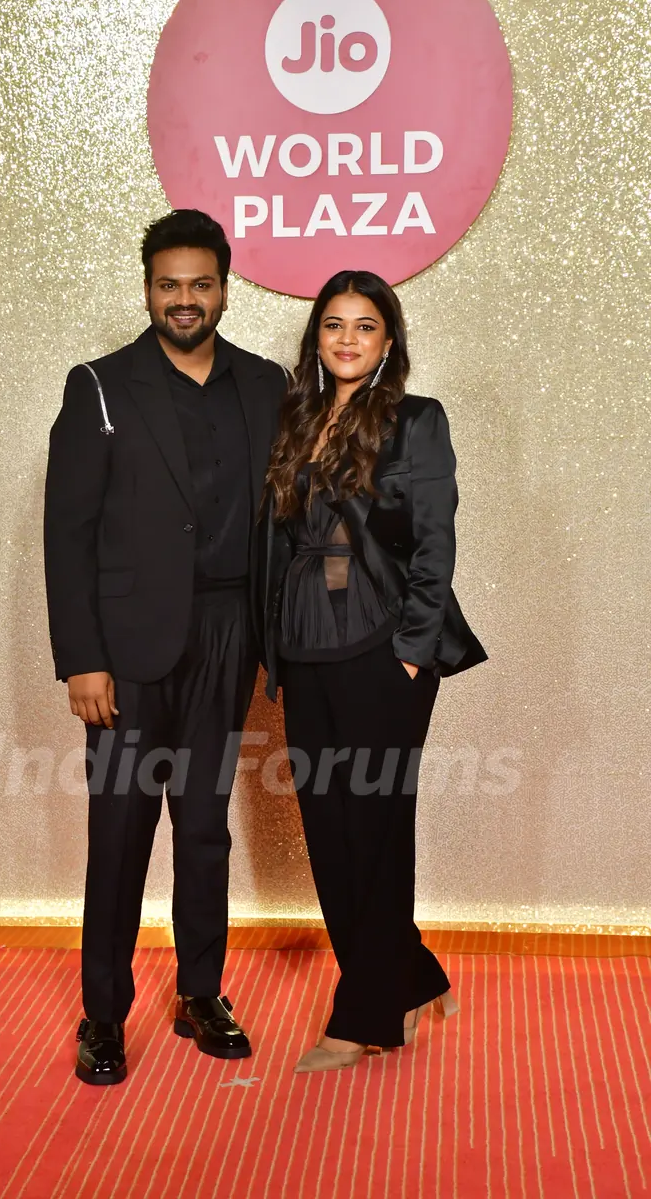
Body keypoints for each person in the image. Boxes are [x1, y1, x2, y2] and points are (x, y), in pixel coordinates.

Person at [44, 209, 286, 1084]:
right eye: (168, 285)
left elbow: (287, 517)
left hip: (229, 634)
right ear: (147, 290)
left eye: (200, 284)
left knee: (205, 828)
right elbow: (67, 532)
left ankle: (200, 992)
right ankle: (104, 1014)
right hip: (126, 648)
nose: (185, 299)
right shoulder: (101, 387)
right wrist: (82, 658)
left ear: (225, 289)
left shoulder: (267, 384)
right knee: (120, 835)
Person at [256, 270, 487, 1073]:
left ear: (389, 342)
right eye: (334, 325)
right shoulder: (295, 418)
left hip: (384, 647)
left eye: (364, 326)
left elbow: (435, 542)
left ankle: (363, 1016)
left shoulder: (418, 421)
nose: (347, 339)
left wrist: (413, 652)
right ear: (315, 337)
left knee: (376, 829)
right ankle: (411, 977)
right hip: (304, 645)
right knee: (329, 830)